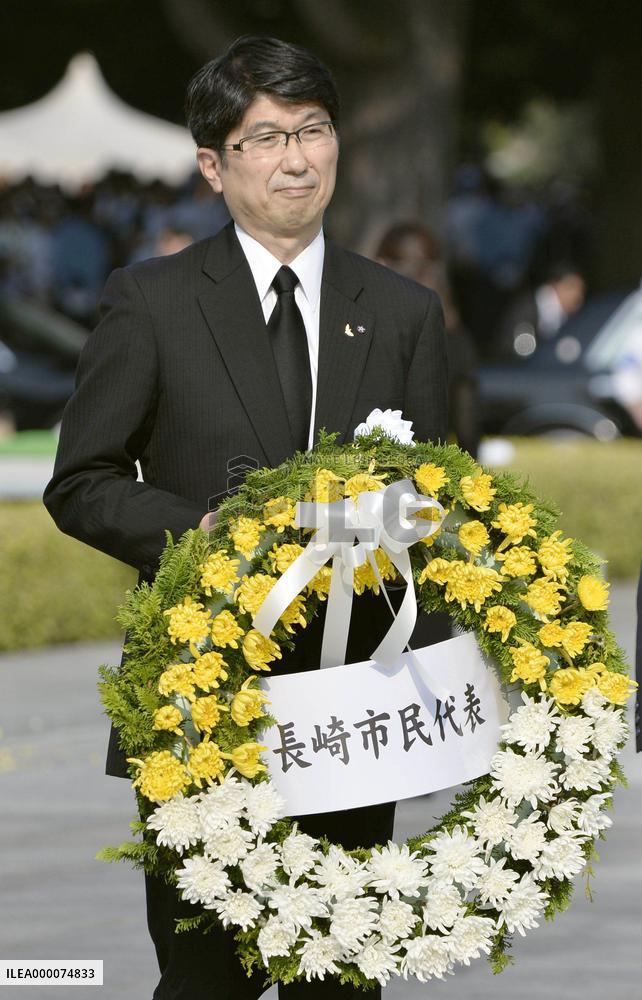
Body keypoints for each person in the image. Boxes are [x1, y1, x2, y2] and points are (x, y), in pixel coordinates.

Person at [43, 35, 449, 1000]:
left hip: (354, 707)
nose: (298, 159)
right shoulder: (152, 301)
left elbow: (441, 508)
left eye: (313, 131)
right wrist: (212, 536)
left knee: (341, 976)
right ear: (213, 165)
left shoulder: (400, 311)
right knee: (204, 978)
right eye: (266, 138)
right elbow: (82, 479)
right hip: (203, 700)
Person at [374, 221, 480, 457]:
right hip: (427, 475)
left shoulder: (361, 324)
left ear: (381, 263)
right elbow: (467, 423)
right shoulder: (455, 335)